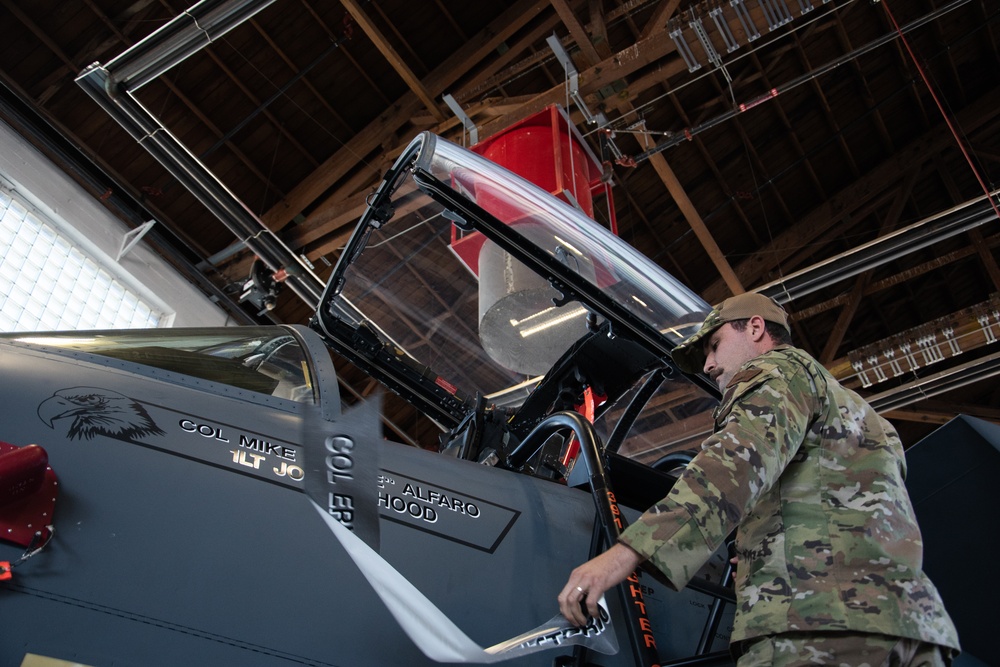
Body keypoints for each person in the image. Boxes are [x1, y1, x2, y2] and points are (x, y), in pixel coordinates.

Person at [558, 292, 960, 666]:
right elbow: (844, 508)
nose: (708, 364)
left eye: (713, 345)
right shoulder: (858, 413)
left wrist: (622, 555)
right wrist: (764, 544)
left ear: (755, 328)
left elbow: (735, 462)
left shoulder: (776, 370)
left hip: (814, 623)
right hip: (907, 627)